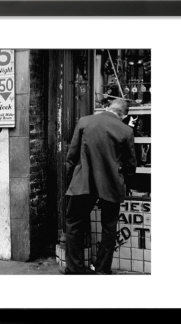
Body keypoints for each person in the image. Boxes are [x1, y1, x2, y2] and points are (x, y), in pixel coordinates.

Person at [62, 99, 137, 274]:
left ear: (107, 108)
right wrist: (125, 180)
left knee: (74, 224)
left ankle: (74, 268)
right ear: (124, 115)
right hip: (111, 184)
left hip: (83, 182)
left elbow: (71, 156)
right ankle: (102, 269)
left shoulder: (84, 121)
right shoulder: (126, 130)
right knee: (109, 227)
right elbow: (130, 165)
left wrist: (70, 180)